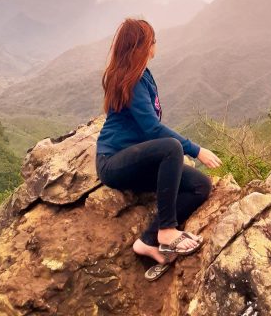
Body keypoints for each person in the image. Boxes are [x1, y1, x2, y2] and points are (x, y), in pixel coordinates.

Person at [95, 17, 222, 280]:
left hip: (138, 159)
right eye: (152, 41)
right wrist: (195, 149)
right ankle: (167, 230)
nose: (155, 45)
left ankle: (148, 239)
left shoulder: (141, 74)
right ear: (142, 46)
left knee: (200, 186)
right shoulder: (131, 79)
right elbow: (153, 130)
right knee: (171, 148)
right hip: (114, 162)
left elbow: (148, 131)